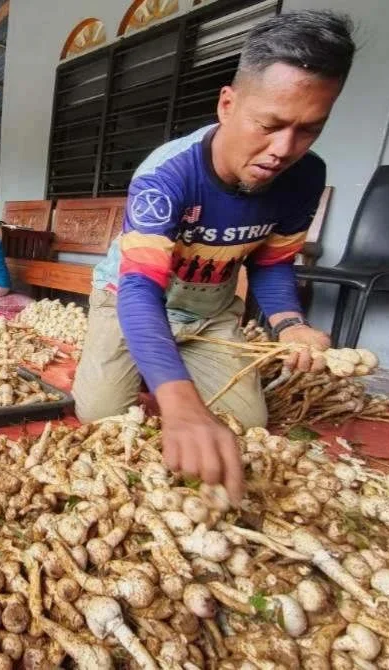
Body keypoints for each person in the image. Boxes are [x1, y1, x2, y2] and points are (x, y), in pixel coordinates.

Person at [73, 10, 355, 503]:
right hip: (133, 300)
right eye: (269, 124)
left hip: (209, 313)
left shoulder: (305, 177)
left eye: (309, 130)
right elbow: (139, 289)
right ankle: (143, 359)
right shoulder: (167, 176)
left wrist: (290, 325)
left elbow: (270, 264)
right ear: (228, 103)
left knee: (248, 424)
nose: (283, 150)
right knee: (99, 415)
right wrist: (180, 404)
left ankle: (162, 361)